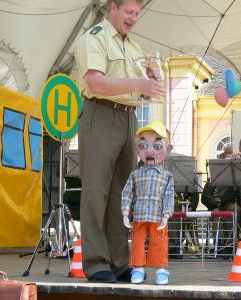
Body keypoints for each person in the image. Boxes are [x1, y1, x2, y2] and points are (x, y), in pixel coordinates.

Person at [74, 0, 165, 283]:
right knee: (96, 193)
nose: (133, 18)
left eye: (137, 13)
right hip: (99, 113)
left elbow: (138, 92)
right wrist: (139, 84)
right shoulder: (94, 38)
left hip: (129, 118)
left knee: (121, 196)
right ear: (112, 7)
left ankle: (118, 262)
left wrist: (150, 82)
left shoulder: (135, 48)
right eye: (128, 11)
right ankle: (96, 263)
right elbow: (96, 83)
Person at [121, 120, 174, 284]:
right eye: (143, 146)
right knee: (137, 242)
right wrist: (125, 212)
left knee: (159, 242)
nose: (149, 151)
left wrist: (166, 215)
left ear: (168, 149)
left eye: (157, 146)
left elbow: (169, 195)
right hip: (139, 216)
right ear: (137, 149)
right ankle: (138, 268)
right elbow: (127, 192)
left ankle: (161, 270)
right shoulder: (135, 174)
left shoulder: (166, 176)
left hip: (158, 217)